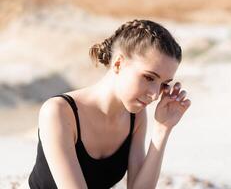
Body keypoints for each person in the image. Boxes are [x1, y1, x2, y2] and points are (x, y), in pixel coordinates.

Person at [27, 19, 191, 189]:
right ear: (118, 63)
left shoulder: (135, 117)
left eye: (164, 84)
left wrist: (162, 129)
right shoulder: (58, 112)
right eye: (149, 77)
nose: (155, 95)